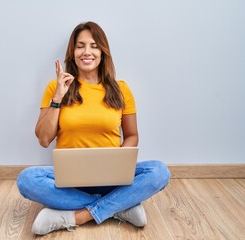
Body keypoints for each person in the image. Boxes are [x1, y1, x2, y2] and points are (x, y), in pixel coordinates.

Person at [17, 21, 171, 235]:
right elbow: (44, 139)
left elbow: (132, 135)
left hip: (111, 178)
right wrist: (58, 97)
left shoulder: (121, 89)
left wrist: (120, 164)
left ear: (103, 52)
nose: (87, 52)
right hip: (69, 180)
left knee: (159, 171)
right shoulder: (56, 88)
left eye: (94, 45)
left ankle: (74, 215)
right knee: (26, 179)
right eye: (80, 46)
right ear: (72, 52)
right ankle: (120, 207)